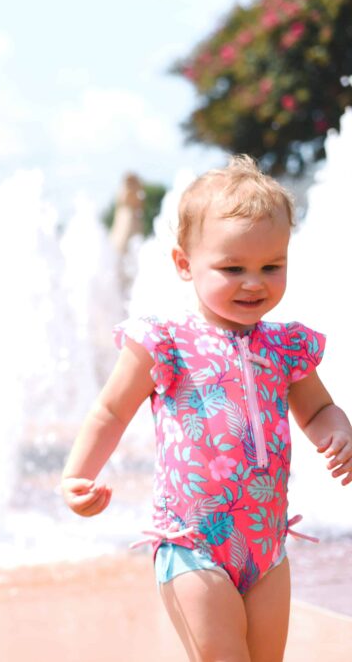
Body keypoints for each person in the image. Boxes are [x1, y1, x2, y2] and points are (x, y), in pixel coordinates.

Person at [61, 155, 352, 661]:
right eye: (232, 268)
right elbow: (110, 411)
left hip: (267, 545)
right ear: (183, 264)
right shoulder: (165, 342)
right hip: (191, 543)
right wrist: (76, 475)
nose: (253, 282)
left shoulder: (286, 347)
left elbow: (318, 408)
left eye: (271, 266)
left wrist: (339, 432)